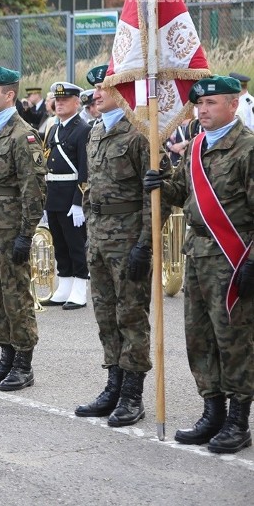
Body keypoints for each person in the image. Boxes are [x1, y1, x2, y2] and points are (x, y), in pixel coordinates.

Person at [144, 75, 254, 454]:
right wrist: (160, 184)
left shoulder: (248, 149)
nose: (202, 110)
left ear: (233, 104)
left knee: (234, 341)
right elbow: (184, 196)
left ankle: (239, 420)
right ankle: (212, 411)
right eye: (198, 105)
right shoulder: (193, 149)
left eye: (211, 104)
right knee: (200, 338)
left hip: (233, 257)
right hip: (198, 255)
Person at [73, 64, 161, 427]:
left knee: (131, 316)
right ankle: (113, 384)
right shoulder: (95, 131)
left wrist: (145, 243)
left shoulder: (140, 133)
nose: (95, 92)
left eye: (104, 87)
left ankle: (132, 394)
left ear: (124, 92)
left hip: (128, 240)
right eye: (95, 87)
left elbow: (153, 194)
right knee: (106, 315)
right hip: (99, 236)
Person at [0, 66, 46, 392]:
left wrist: (25, 234)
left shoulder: (23, 135)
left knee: (16, 296)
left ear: (9, 95)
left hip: (9, 227)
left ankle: (23, 363)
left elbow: (34, 190)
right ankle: (6, 353)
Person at [39, 81, 91, 310]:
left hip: (72, 195)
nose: (59, 104)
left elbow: (85, 167)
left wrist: (79, 202)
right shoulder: (53, 129)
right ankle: (64, 285)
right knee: (59, 243)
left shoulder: (83, 129)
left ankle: (79, 288)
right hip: (54, 194)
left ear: (76, 102)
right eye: (56, 100)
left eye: (64, 100)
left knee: (75, 244)